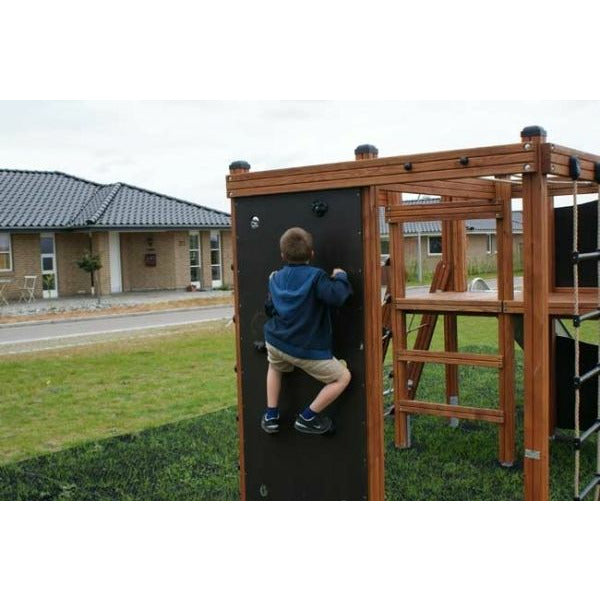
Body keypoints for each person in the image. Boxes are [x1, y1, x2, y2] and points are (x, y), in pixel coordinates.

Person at [261, 226, 352, 435]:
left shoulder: (274, 277)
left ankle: (271, 415)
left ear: (283, 255)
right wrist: (341, 276)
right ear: (312, 254)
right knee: (342, 377)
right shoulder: (316, 277)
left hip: (275, 342)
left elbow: (269, 308)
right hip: (304, 349)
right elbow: (338, 296)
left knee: (275, 368)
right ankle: (307, 417)